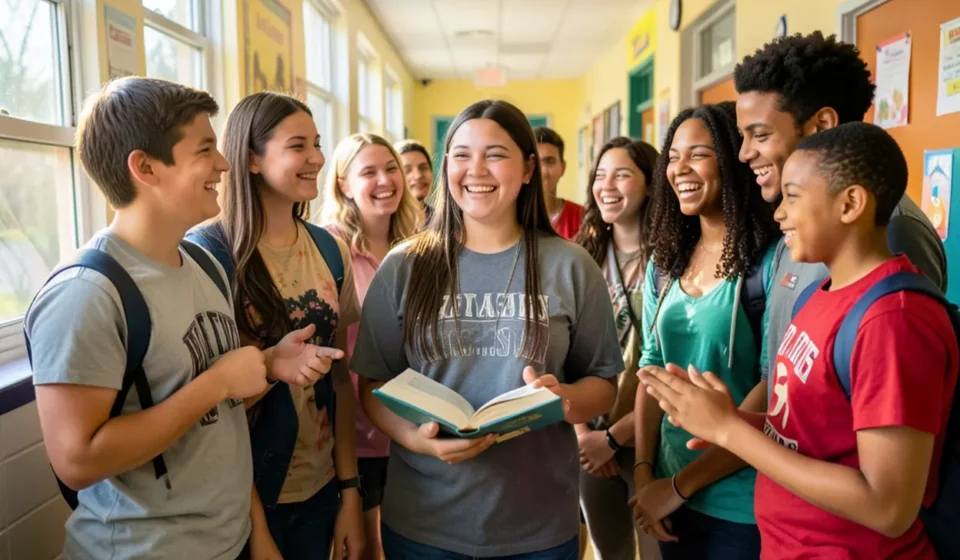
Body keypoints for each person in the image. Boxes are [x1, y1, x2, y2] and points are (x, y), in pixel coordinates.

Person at [25, 77, 327, 559]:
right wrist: (217, 384)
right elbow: (77, 461)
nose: (224, 164)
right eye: (205, 149)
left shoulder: (204, 265)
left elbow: (218, 423)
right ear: (145, 167)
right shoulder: (85, 293)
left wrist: (267, 363)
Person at [639, 122, 958, 559]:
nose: (778, 214)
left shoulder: (893, 320)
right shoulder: (818, 293)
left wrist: (729, 430)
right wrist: (722, 417)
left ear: (850, 204)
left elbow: (887, 507)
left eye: (792, 197)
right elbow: (805, 435)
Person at [352, 99, 623, 559]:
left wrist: (563, 399)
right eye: (461, 154)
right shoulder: (404, 266)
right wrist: (418, 440)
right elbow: (373, 385)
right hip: (423, 523)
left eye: (495, 154)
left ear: (528, 168)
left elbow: (604, 384)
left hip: (537, 527)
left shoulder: (571, 266)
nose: (475, 169)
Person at [188, 92, 365, 560]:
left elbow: (342, 383)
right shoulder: (207, 253)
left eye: (318, 143)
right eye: (297, 146)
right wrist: (256, 525)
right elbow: (209, 406)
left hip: (320, 487)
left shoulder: (331, 249)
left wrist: (349, 492)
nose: (317, 159)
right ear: (250, 157)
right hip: (242, 496)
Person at [733, 31, 946, 410]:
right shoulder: (793, 228)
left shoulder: (894, 231)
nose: (745, 153)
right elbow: (778, 382)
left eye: (760, 135)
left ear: (822, 125)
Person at [631, 103, 779, 559]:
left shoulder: (770, 262)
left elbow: (771, 387)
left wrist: (680, 485)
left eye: (698, 154)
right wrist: (644, 474)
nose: (680, 169)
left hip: (740, 504)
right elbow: (651, 370)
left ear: (733, 160)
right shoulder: (665, 262)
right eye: (673, 157)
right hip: (669, 493)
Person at [322, 132, 422, 559]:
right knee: (364, 549)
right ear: (343, 184)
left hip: (413, 426)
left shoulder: (420, 246)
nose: (385, 180)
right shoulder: (328, 247)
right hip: (354, 435)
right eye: (368, 172)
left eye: (391, 168)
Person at [574, 137, 662, 560]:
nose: (606, 185)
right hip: (590, 441)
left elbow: (675, 362)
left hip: (653, 438)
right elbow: (564, 354)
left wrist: (615, 437)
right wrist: (585, 435)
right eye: (600, 175)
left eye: (622, 174)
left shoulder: (674, 259)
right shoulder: (582, 257)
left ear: (650, 184)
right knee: (611, 554)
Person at [534, 126, 583, 240]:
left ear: (563, 167)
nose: (543, 171)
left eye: (549, 161)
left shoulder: (582, 218)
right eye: (535, 162)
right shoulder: (510, 220)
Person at [396, 139, 435, 223]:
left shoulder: (443, 220)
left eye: (423, 167)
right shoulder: (385, 224)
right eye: (407, 170)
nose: (418, 176)